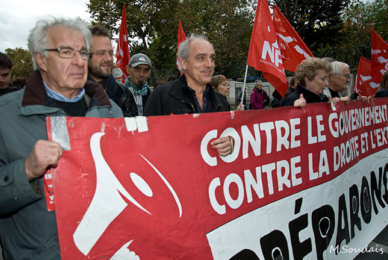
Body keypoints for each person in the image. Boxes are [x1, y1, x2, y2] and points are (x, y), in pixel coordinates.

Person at [0, 17, 123, 260]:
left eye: (83, 52)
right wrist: (26, 171)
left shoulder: (112, 112)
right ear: (41, 59)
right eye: (66, 52)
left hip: (106, 250)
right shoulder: (5, 115)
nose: (79, 62)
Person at [144, 35, 233, 156]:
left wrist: (230, 142)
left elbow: (231, 133)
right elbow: (146, 142)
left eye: (212, 58)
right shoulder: (161, 96)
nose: (209, 64)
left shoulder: (221, 101)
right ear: (184, 63)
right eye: (201, 58)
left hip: (211, 173)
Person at [88, 25, 138, 117]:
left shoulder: (124, 94)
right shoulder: (72, 94)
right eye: (101, 53)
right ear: (85, 55)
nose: (108, 59)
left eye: (110, 53)